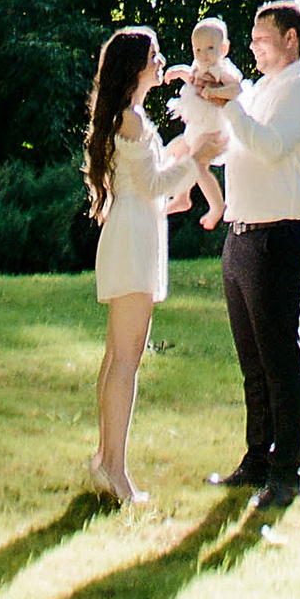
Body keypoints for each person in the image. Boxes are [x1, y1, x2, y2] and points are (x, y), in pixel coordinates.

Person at [198, 0, 300, 513]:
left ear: (291, 40)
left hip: (278, 237)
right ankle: (256, 459)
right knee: (252, 362)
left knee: (279, 360)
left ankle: (285, 474)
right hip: (241, 235)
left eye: (261, 39)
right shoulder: (261, 89)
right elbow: (242, 146)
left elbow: (272, 148)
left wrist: (231, 104)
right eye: (251, 40)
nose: (251, 47)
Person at [82, 25, 197, 505]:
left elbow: (149, 182)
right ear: (135, 67)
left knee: (117, 356)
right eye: (154, 56)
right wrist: (199, 159)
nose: (160, 62)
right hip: (132, 238)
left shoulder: (131, 118)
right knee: (125, 359)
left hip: (132, 231)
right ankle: (116, 470)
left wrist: (183, 159)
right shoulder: (130, 119)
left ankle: (105, 462)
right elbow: (151, 185)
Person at [165, 13, 239, 231]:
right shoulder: (199, 67)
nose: (203, 55)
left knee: (197, 165)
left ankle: (217, 206)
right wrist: (178, 71)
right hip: (195, 128)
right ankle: (182, 197)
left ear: (224, 49)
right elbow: (191, 77)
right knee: (179, 152)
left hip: (212, 130)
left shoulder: (220, 70)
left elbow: (236, 89)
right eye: (197, 50)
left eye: (210, 48)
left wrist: (214, 92)